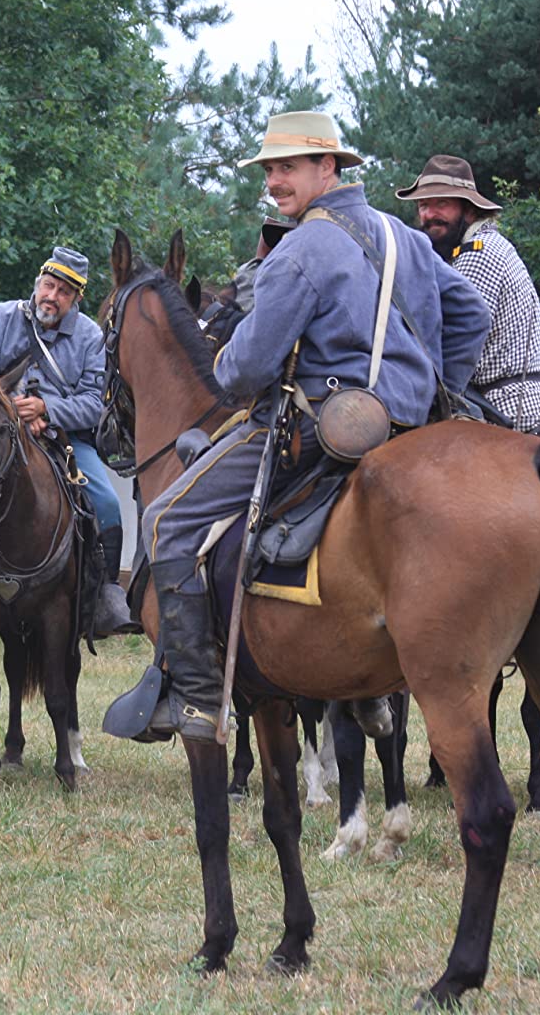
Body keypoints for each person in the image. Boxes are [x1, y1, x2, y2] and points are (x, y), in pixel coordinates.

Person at [132, 112, 490, 742]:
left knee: (164, 519)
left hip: (318, 432)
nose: (275, 182)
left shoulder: (299, 248)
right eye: (270, 169)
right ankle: (366, 688)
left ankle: (197, 695)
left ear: (330, 168)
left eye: (288, 167)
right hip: (409, 430)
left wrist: (223, 359)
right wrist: (434, 385)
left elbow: (246, 370)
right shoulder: (402, 235)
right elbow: (470, 315)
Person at [0, 246, 138, 638]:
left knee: (106, 503)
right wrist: (9, 408)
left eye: (64, 292)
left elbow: (93, 402)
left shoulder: (90, 336)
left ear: (76, 299)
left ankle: (105, 595)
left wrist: (45, 410)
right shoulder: (4, 316)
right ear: (38, 282)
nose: (52, 296)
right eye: (49, 285)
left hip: (64, 440)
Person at [395, 154, 540, 438]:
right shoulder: (489, 246)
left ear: (468, 209)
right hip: (520, 400)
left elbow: (447, 340)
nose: (429, 215)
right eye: (423, 205)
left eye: (442, 203)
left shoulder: (477, 254)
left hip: (508, 409)